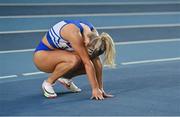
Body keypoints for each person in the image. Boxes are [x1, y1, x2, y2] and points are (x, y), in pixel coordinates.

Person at [33, 20, 116, 100]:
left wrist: (100, 88)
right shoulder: (74, 33)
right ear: (85, 42)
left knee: (91, 63)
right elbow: (87, 63)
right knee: (75, 60)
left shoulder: (94, 37)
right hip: (42, 57)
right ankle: (48, 83)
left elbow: (97, 62)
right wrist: (94, 89)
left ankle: (65, 77)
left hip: (60, 54)